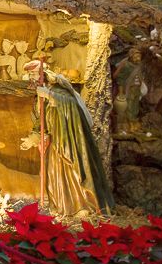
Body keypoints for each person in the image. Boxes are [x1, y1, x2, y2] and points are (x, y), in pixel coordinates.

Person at [22, 63, 114, 215]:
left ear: (43, 74)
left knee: (73, 172)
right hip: (55, 142)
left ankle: (81, 205)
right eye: (30, 76)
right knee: (55, 173)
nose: (31, 79)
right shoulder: (39, 96)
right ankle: (61, 206)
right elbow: (40, 121)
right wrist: (34, 137)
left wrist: (50, 96)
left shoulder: (59, 90)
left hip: (69, 141)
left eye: (34, 75)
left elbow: (72, 107)